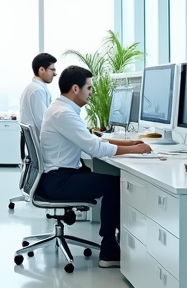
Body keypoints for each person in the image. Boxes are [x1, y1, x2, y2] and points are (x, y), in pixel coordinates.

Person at [38, 65, 151, 268]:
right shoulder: (64, 114)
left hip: (57, 177)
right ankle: (109, 250)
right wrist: (137, 150)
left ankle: (116, 243)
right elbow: (95, 149)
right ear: (75, 89)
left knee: (107, 180)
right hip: (59, 181)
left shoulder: (61, 109)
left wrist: (132, 144)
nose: (91, 93)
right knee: (117, 185)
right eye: (89, 88)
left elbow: (91, 141)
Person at [19, 52, 57, 161]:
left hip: (37, 145)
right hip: (41, 147)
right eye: (52, 70)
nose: (55, 74)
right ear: (41, 70)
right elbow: (42, 122)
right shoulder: (37, 90)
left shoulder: (34, 88)